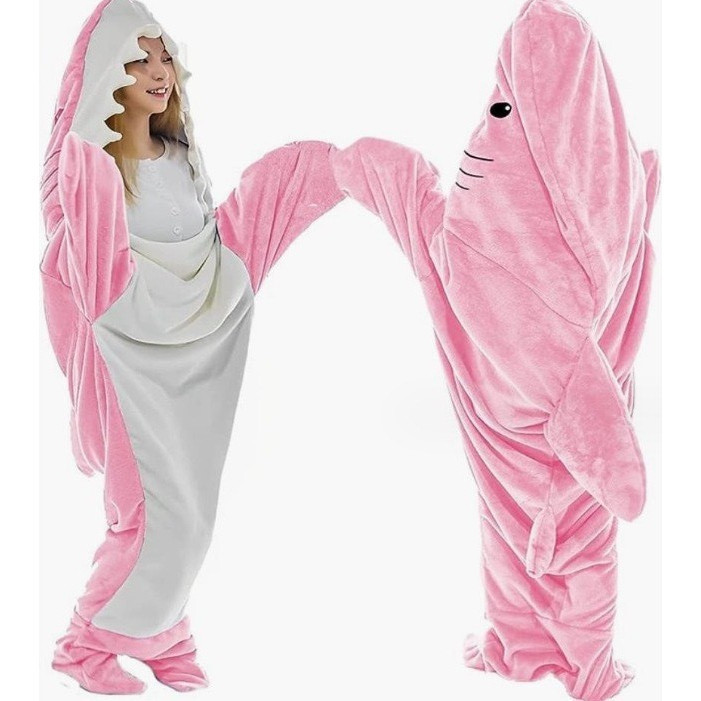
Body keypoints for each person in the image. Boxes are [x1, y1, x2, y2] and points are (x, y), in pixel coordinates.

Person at [328, 1, 659, 699]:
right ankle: (518, 646)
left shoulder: (526, 239)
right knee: (515, 542)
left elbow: (420, 212)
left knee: (572, 546)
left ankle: (587, 661)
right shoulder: (582, 197)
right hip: (500, 434)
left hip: (560, 441)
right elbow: (423, 212)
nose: (489, 126)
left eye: (502, 110)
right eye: (496, 107)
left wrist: (367, 170)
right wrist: (366, 170)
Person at [39, 0, 345, 693]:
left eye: (165, 56)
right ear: (106, 73)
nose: (158, 71)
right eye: (138, 58)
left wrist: (316, 175)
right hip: (127, 354)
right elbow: (85, 261)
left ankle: (162, 629)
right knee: (148, 512)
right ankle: (84, 642)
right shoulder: (94, 167)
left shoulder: (179, 158)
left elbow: (207, 247)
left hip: (192, 353)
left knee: (193, 510)